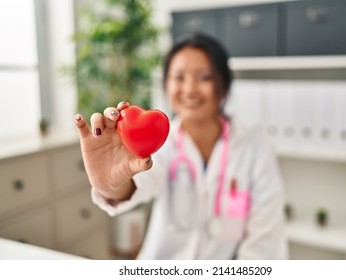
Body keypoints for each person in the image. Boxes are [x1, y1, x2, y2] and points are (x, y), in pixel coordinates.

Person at [74, 33, 288, 259]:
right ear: (166, 85)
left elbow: (264, 243)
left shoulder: (255, 148)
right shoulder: (160, 143)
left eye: (204, 77)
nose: (189, 89)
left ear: (223, 86)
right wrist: (112, 185)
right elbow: (139, 181)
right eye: (178, 77)